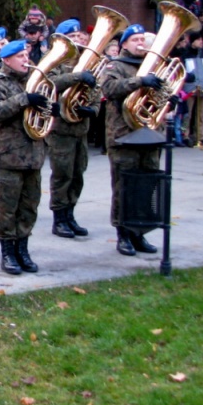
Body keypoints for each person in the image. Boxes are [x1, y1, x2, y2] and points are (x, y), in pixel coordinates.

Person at [0, 40, 50, 275]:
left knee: (29, 206)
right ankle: (8, 251)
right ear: (7, 60)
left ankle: (23, 248)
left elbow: (45, 112)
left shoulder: (36, 81)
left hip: (34, 154)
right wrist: (24, 99)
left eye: (27, 55)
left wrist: (51, 109)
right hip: (9, 156)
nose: (26, 60)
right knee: (7, 208)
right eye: (20, 56)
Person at [101, 24, 166, 254]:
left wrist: (168, 100)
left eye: (142, 39)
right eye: (135, 40)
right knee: (124, 186)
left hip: (149, 135)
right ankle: (123, 234)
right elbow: (108, 89)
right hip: (123, 136)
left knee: (146, 185)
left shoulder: (155, 66)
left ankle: (140, 233)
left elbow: (161, 96)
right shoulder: (115, 65)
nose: (140, 43)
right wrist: (139, 82)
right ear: (124, 44)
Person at [46, 20, 99, 239]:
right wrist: (76, 77)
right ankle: (59, 217)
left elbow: (96, 88)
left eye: (79, 36)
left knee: (78, 173)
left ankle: (70, 213)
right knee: (62, 174)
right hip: (60, 129)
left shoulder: (86, 61)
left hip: (80, 128)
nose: (78, 40)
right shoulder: (54, 59)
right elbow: (49, 83)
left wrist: (93, 109)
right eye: (73, 36)